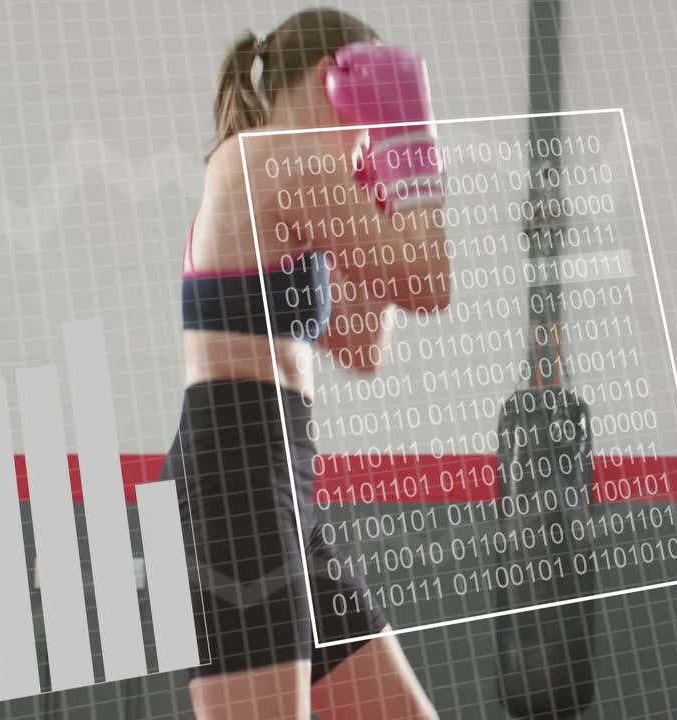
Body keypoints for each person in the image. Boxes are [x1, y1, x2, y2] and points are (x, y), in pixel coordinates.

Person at [157, 8, 448, 719]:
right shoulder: (271, 158)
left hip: (281, 484)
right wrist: (413, 146)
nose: (375, 122)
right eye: (373, 101)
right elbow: (430, 283)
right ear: (335, 80)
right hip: (235, 487)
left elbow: (360, 348)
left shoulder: (302, 176)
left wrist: (382, 183)